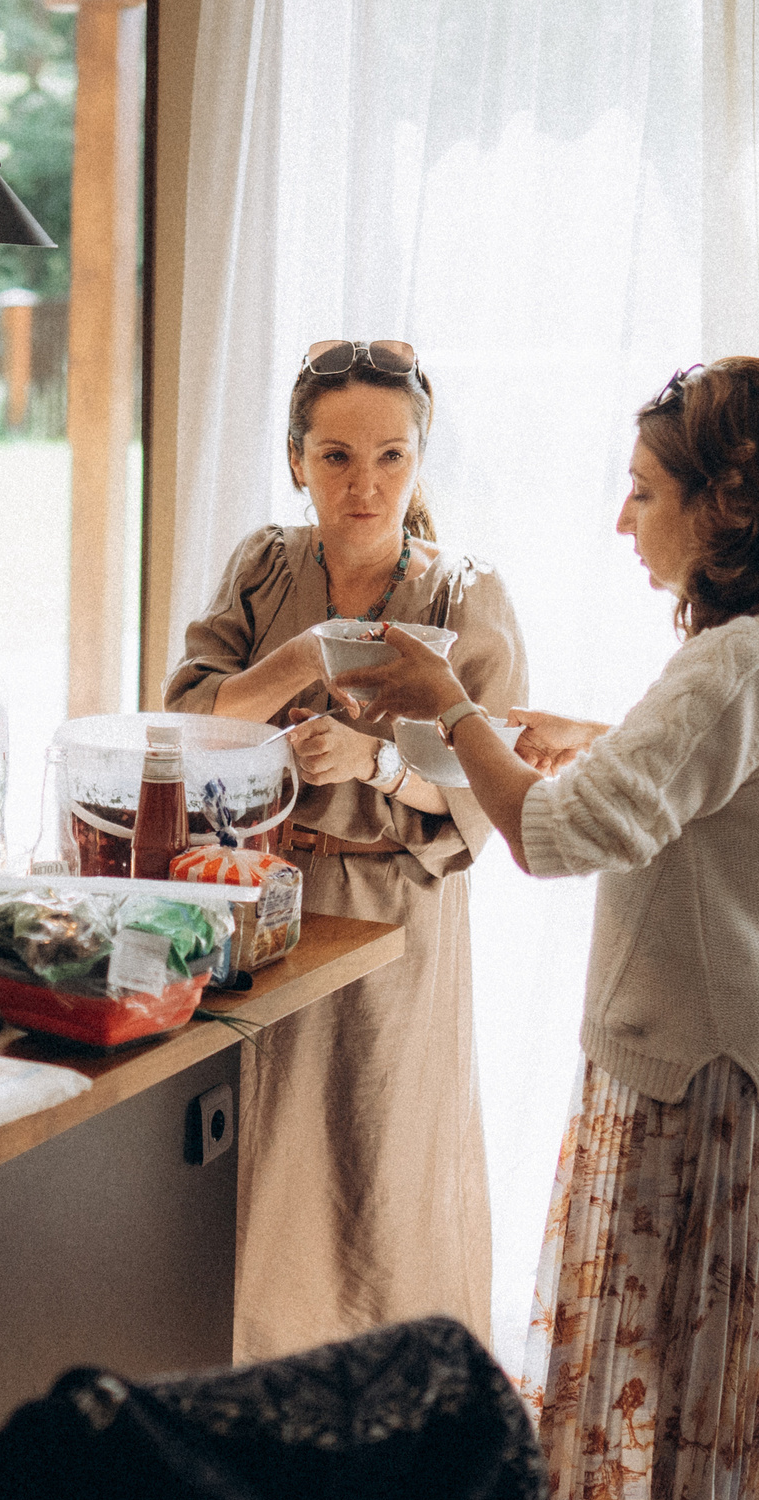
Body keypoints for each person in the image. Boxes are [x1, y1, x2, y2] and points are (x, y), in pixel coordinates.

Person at [335, 356, 759, 1500]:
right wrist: (569, 732)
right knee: (754, 1422)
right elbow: (695, 788)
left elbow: (550, 831)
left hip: (724, 1095)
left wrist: (454, 710)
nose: (620, 517)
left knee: (708, 1420)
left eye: (644, 491)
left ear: (727, 504)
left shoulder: (734, 666)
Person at [165, 338, 527, 1360]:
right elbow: (189, 710)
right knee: (264, 1166)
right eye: (334, 457)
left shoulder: (463, 597)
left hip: (391, 918)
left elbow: (482, 797)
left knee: (384, 1169)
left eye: (389, 458)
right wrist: (299, 661)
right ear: (296, 460)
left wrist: (371, 763)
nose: (363, 486)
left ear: (419, 465)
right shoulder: (264, 566)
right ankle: (262, 1402)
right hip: (262, 902)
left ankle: (402, 1418)